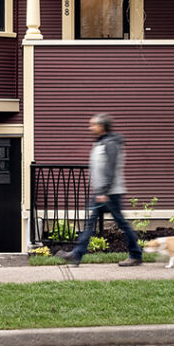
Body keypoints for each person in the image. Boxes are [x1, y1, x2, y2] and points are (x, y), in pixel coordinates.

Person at [58, 113, 143, 267]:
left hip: (110, 193)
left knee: (121, 224)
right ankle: (76, 255)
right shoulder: (100, 143)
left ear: (102, 126)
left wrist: (104, 191)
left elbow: (110, 169)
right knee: (90, 225)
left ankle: (136, 254)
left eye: (93, 125)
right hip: (101, 192)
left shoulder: (110, 144)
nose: (90, 127)